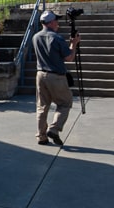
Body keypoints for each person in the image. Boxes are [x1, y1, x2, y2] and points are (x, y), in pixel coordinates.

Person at [31, 10, 78, 146]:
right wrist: (74, 44)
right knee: (65, 103)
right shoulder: (56, 38)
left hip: (40, 74)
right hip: (56, 75)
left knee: (42, 106)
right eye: (56, 21)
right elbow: (69, 57)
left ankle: (41, 135)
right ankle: (54, 128)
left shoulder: (36, 37)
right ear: (51, 22)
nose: (58, 23)